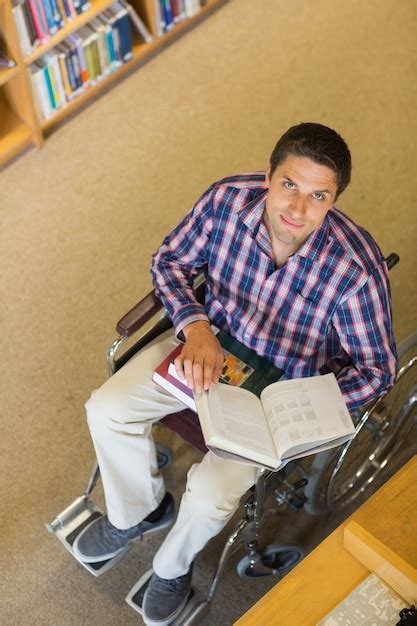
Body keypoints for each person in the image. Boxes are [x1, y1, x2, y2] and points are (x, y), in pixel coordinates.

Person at [73, 122, 397, 625]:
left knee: (211, 493)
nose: (296, 209)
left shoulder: (355, 271)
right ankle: (137, 511)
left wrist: (299, 408)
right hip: (208, 340)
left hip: (281, 387)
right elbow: (170, 260)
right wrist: (196, 324)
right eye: (289, 184)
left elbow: (377, 371)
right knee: (107, 409)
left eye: (318, 196)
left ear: (334, 201)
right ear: (268, 175)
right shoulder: (227, 198)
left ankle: (171, 567)